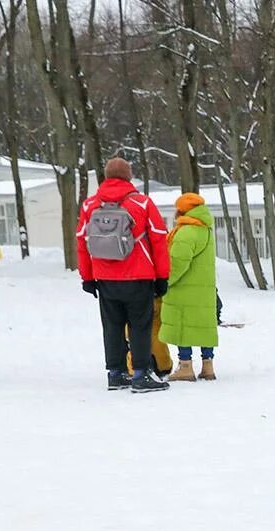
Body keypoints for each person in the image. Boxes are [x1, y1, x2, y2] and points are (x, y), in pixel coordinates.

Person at [78, 157, 172, 393]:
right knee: (140, 325)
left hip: (104, 278)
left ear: (106, 176)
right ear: (129, 177)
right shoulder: (141, 203)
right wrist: (162, 276)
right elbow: (159, 239)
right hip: (138, 275)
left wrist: (87, 277)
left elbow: (82, 241)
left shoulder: (90, 205)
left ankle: (116, 373)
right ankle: (141, 374)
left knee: (112, 325)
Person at [161, 193, 219, 382]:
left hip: (183, 289)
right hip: (203, 289)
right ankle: (207, 365)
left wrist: (164, 281)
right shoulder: (206, 230)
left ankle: (185, 366)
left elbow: (177, 263)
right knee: (203, 326)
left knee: (183, 326)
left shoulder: (186, 232)